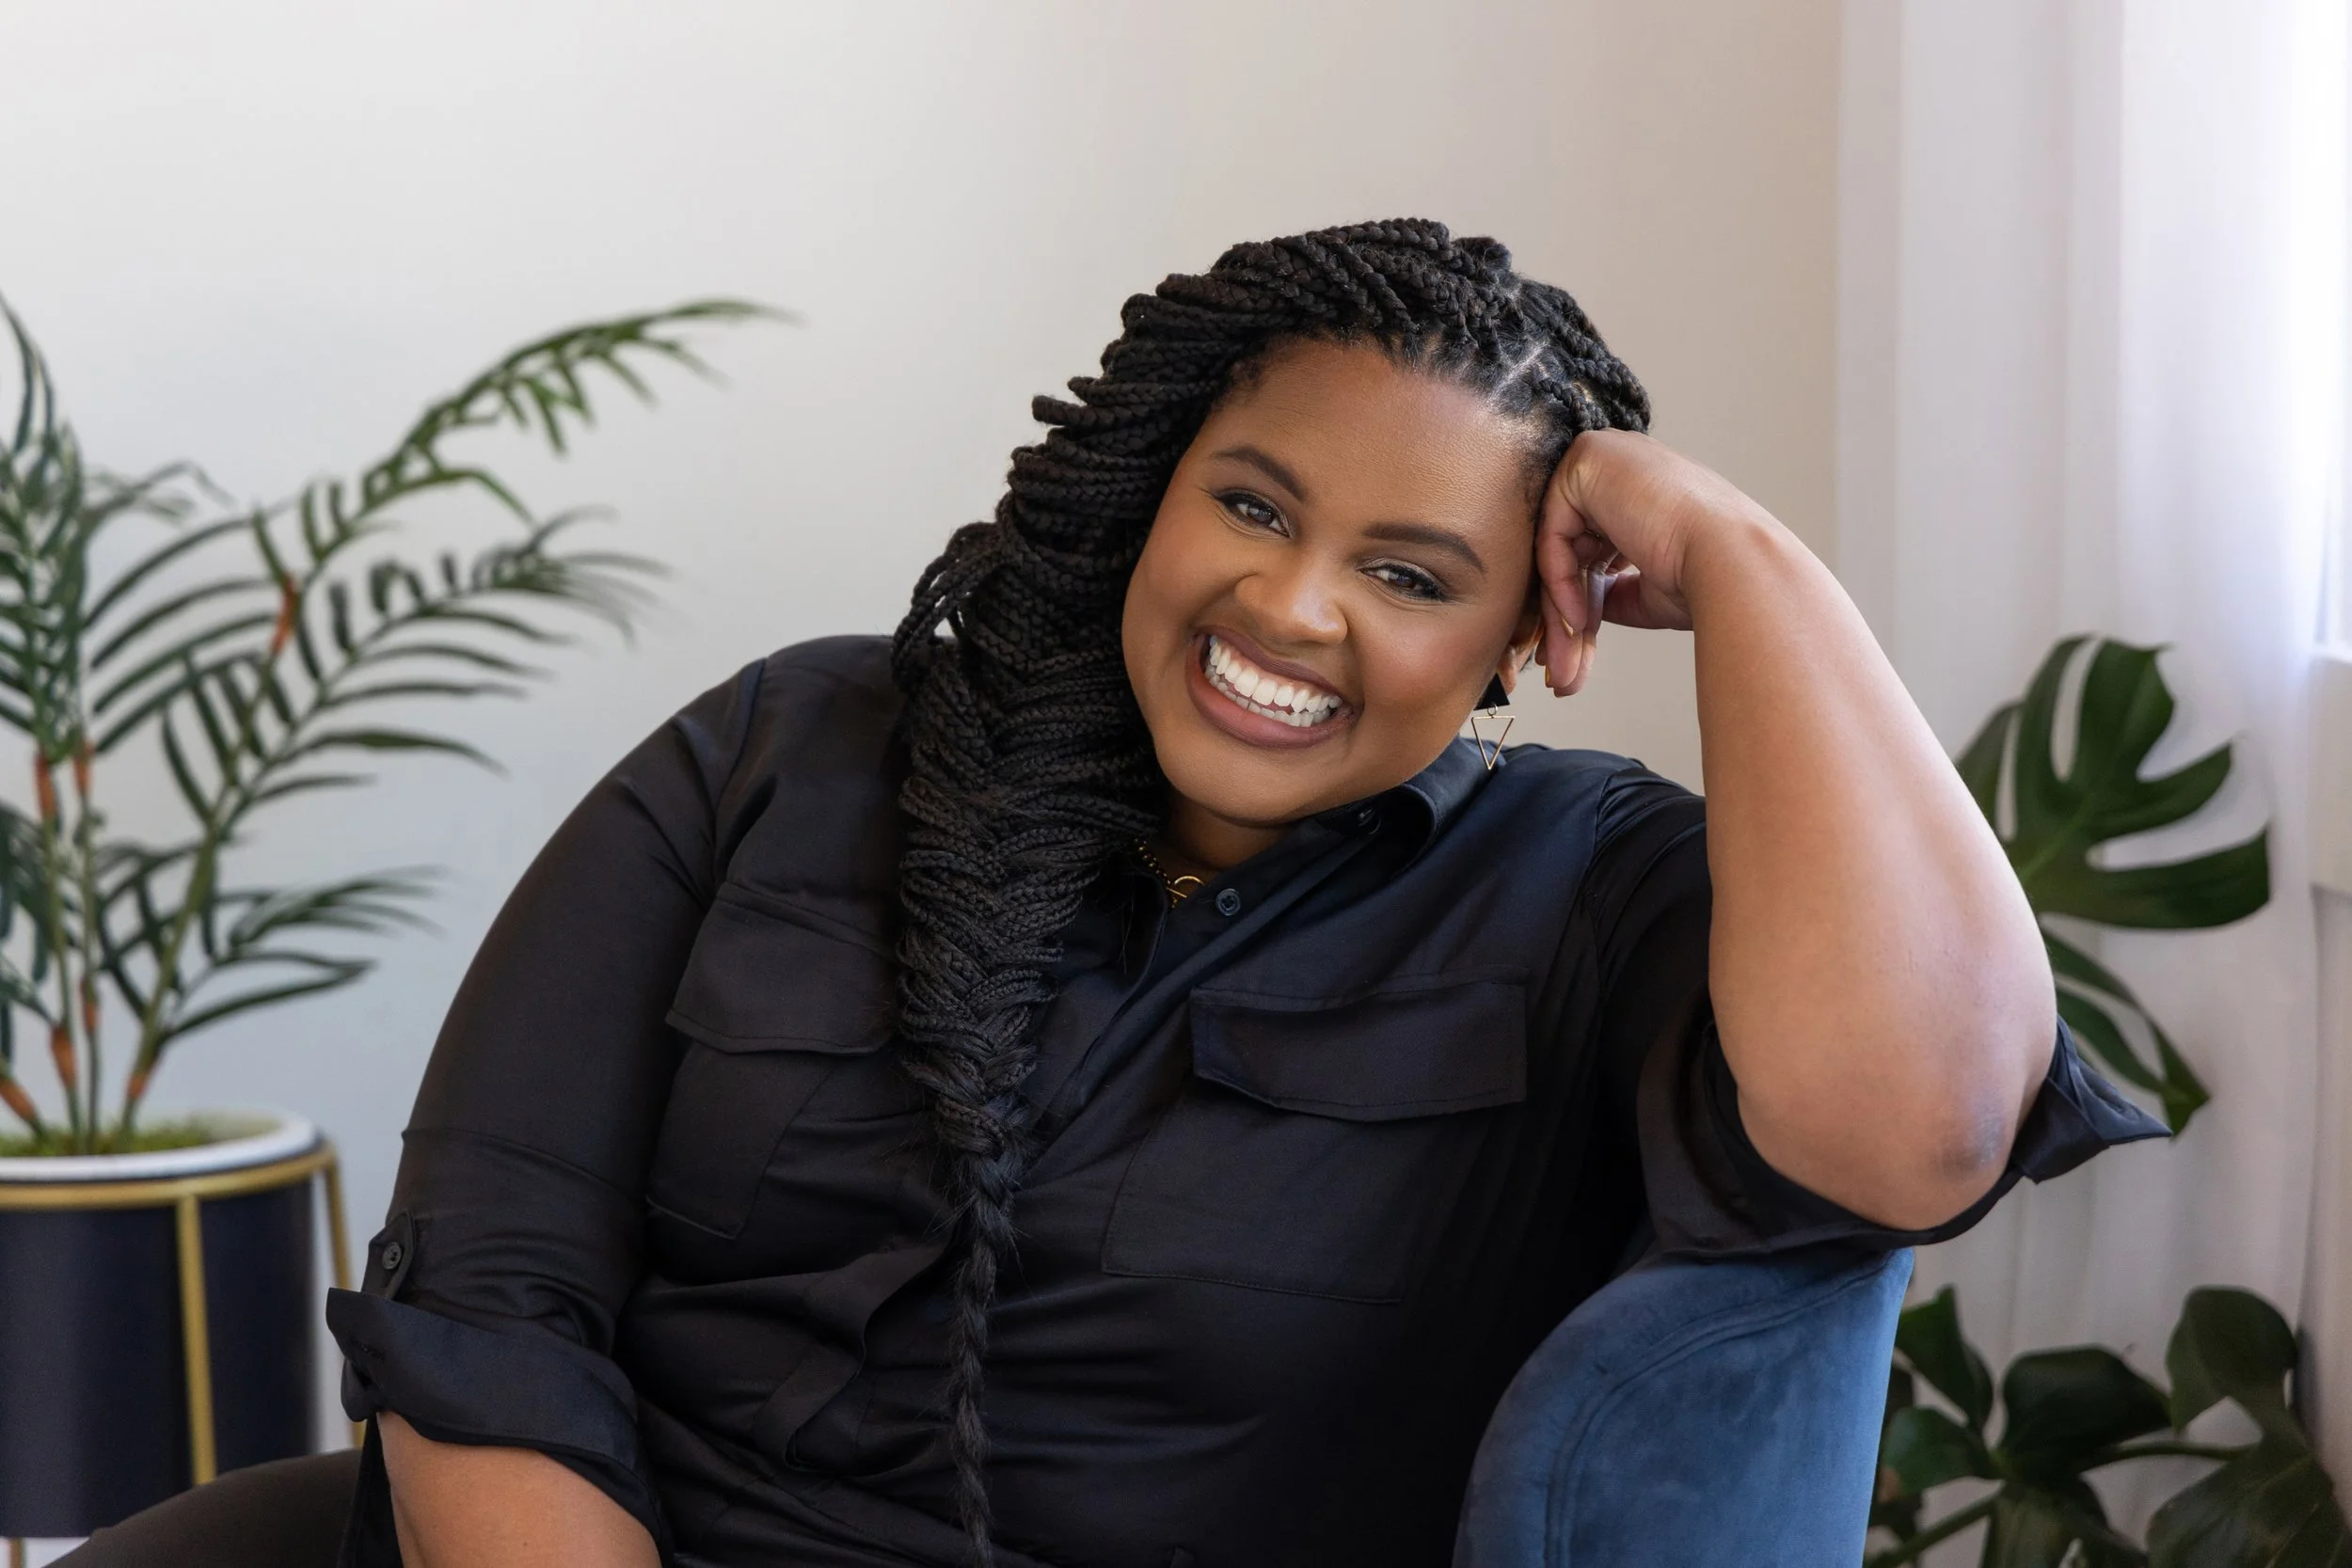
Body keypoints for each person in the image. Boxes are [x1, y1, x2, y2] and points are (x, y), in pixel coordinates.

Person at [322, 220, 2161, 1568]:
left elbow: (1917, 1128)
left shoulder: (1585, 896)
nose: (1291, 608)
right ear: (1151, 487)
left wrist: (1743, 558)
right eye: (1256, 507)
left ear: (1529, 623)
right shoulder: (792, 747)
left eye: (1409, 568)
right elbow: (491, 1282)